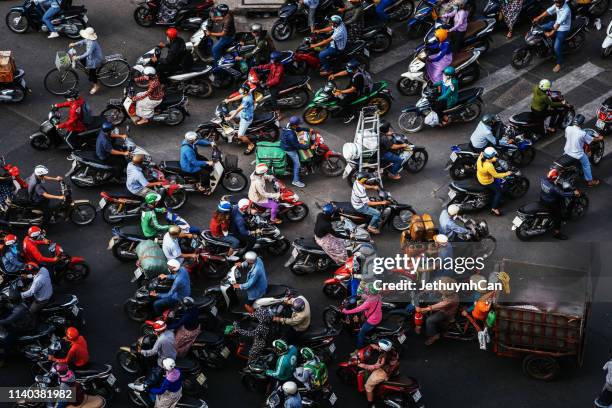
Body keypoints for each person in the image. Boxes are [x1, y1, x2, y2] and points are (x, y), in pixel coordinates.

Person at [415, 276, 460, 345]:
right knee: (427, 303)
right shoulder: (449, 289)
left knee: (429, 320)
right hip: (443, 305)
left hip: (446, 312)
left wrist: (425, 309)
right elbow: (436, 289)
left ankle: (433, 336)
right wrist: (425, 290)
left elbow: (440, 305)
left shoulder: (451, 299)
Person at [532, 0, 571, 72]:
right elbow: (548, 11)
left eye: (558, 2)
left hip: (563, 29)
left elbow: (559, 23)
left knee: (556, 47)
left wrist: (551, 33)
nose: (556, 3)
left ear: (562, 2)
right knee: (540, 28)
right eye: (556, 2)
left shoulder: (566, 10)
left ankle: (559, 63)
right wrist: (538, 18)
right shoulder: (557, 4)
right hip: (555, 23)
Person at [564, 114, 602, 187]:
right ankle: (590, 181)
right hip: (578, 154)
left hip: (567, 151)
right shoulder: (582, 133)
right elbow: (592, 140)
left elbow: (567, 137)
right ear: (581, 123)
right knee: (586, 165)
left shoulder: (568, 128)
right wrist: (600, 138)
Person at [540, 169, 580, 240]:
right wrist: (573, 193)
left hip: (543, 198)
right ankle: (557, 233)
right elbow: (563, 194)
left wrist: (558, 173)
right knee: (558, 217)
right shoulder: (554, 188)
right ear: (554, 178)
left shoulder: (543, 179)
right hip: (550, 203)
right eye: (557, 177)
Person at [328, 59, 372, 123]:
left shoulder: (358, 77)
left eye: (349, 69)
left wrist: (340, 91)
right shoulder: (353, 71)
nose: (348, 70)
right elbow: (345, 72)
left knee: (343, 103)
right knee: (339, 95)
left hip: (356, 92)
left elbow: (353, 89)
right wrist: (334, 75)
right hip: (352, 86)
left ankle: (350, 115)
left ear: (354, 69)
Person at [359, 339, 399, 407]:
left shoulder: (383, 357)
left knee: (368, 385)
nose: (378, 346)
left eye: (379, 346)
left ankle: (371, 404)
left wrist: (361, 365)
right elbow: (379, 348)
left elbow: (374, 367)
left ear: (383, 349)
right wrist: (372, 346)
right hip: (393, 368)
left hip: (384, 372)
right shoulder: (392, 350)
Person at [341, 283, 382, 348]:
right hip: (378, 316)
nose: (365, 290)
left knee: (361, 334)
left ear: (370, 291)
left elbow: (357, 309)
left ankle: (359, 346)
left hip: (372, 321)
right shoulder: (378, 295)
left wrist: (346, 311)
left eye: (367, 289)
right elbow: (369, 297)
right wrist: (362, 295)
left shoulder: (368, 302)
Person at [0, 289, 34, 365]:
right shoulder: (20, 303)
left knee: (5, 340)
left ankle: (3, 359)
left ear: (13, 300)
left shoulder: (19, 310)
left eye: (10, 298)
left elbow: (7, 321)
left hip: (21, 326)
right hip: (23, 319)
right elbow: (9, 305)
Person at [476, 147, 512, 216]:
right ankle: (494, 208)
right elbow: (496, 175)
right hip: (487, 181)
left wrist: (496, 159)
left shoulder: (481, 156)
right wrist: (507, 173)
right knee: (499, 192)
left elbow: (488, 159)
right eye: (493, 155)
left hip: (479, 176)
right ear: (491, 156)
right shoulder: (489, 166)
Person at [69, 27, 104, 94]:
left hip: (95, 60)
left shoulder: (92, 43)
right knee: (82, 59)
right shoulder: (88, 39)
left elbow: (88, 53)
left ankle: (96, 86)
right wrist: (75, 44)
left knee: (92, 74)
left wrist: (78, 57)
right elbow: (83, 41)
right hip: (91, 57)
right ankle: (88, 69)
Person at [281, 116, 311, 188]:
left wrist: (308, 129)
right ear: (294, 125)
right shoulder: (291, 134)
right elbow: (296, 145)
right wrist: (309, 146)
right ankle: (295, 181)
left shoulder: (289, 125)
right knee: (297, 163)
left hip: (284, 143)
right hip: (289, 149)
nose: (298, 125)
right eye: (298, 124)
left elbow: (297, 129)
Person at [226, 84, 256, 155]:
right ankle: (237, 126)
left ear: (245, 91)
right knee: (230, 113)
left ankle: (251, 145)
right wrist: (229, 100)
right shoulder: (248, 92)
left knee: (240, 135)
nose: (241, 90)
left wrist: (230, 118)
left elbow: (238, 109)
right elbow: (240, 96)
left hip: (246, 117)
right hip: (244, 112)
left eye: (242, 89)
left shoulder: (247, 99)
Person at [255, 51, 285, 119]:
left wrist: (267, 83)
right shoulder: (273, 64)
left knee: (273, 98)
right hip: (270, 80)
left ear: (276, 60)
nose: (271, 61)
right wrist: (257, 67)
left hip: (277, 85)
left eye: (272, 59)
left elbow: (276, 80)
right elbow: (266, 66)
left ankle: (279, 114)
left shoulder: (280, 68)